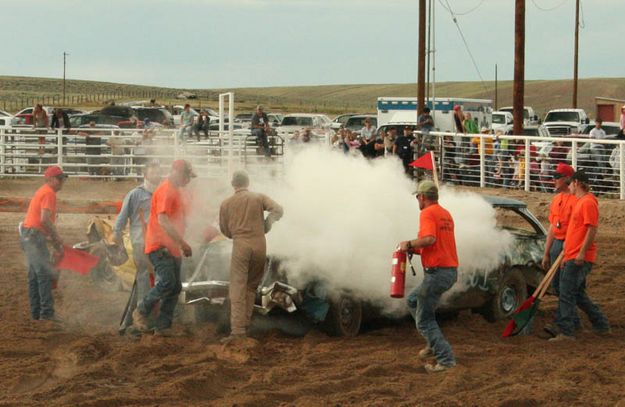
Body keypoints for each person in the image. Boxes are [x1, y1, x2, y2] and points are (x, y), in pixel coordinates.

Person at [399, 181, 458, 373]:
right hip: (448, 271)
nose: (417, 200)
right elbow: (435, 245)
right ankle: (433, 344)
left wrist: (408, 243)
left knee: (424, 320)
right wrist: (414, 248)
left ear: (422, 197)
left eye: (418, 197)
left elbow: (430, 239)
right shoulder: (445, 214)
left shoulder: (427, 213)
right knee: (413, 300)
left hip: (437, 273)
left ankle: (446, 359)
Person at [132, 160, 195, 336]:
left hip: (170, 247)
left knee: (174, 287)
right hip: (160, 245)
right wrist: (183, 243)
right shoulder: (167, 190)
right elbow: (163, 220)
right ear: (179, 173)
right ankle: (142, 310)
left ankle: (163, 327)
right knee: (168, 282)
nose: (188, 180)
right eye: (188, 176)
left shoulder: (173, 190)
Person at [219, 170, 283, 342]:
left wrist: (236, 234)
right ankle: (246, 324)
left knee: (238, 287)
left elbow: (224, 229)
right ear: (248, 183)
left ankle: (238, 330)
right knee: (251, 286)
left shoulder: (226, 203)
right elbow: (278, 210)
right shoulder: (258, 197)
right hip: (260, 244)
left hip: (241, 244)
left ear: (234, 185)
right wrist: (266, 225)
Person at [549, 170, 611, 341]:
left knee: (567, 292)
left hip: (579, 255)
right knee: (575, 293)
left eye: (571, 183)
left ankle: (566, 331)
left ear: (577, 183)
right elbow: (576, 231)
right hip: (573, 254)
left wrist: (581, 253)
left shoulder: (587, 203)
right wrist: (567, 254)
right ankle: (600, 323)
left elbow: (592, 229)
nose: (569, 186)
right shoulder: (581, 202)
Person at [115, 162, 162, 334]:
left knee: (143, 280)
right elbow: (120, 221)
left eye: (158, 172)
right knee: (145, 279)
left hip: (154, 242)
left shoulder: (159, 193)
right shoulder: (135, 194)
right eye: (153, 172)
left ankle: (128, 321)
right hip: (141, 242)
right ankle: (141, 320)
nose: (156, 175)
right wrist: (119, 243)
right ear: (145, 174)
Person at [20, 166, 68, 321]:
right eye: (59, 179)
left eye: (62, 178)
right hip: (34, 235)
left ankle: (37, 313)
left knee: (34, 275)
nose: (62, 182)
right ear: (51, 179)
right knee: (44, 274)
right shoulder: (49, 193)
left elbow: (39, 222)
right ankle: (46, 314)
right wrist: (57, 238)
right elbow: (44, 219)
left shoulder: (43, 191)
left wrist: (52, 239)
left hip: (29, 235)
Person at [540, 163, 578, 338]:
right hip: (558, 244)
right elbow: (552, 227)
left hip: (569, 245)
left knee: (567, 288)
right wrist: (547, 252)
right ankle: (574, 321)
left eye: (557, 177)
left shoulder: (576, 200)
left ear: (567, 179)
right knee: (559, 287)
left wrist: (567, 249)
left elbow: (577, 229)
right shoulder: (556, 199)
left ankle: (566, 325)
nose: (553, 180)